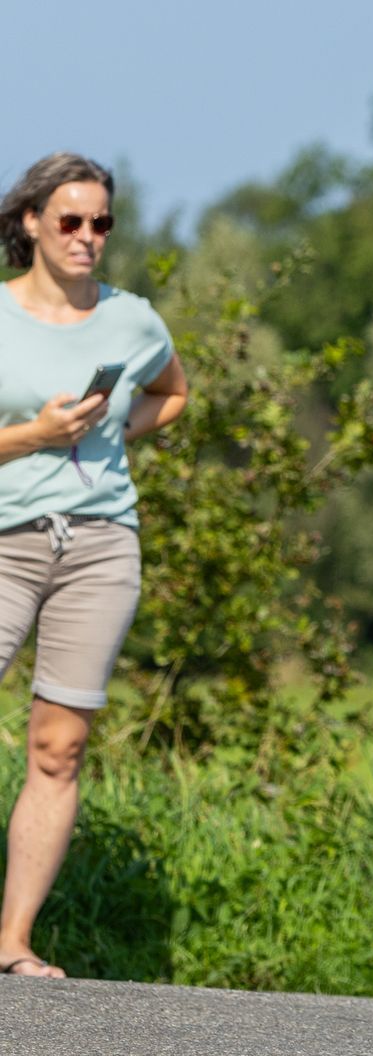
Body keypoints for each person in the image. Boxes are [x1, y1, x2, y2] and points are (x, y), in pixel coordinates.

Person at [0, 153, 188, 978]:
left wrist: (109, 434)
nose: (87, 237)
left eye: (101, 223)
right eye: (70, 220)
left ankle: (11, 943)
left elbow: (173, 393)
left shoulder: (133, 321)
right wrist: (35, 439)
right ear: (30, 222)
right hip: (4, 538)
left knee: (59, 746)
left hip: (102, 545)